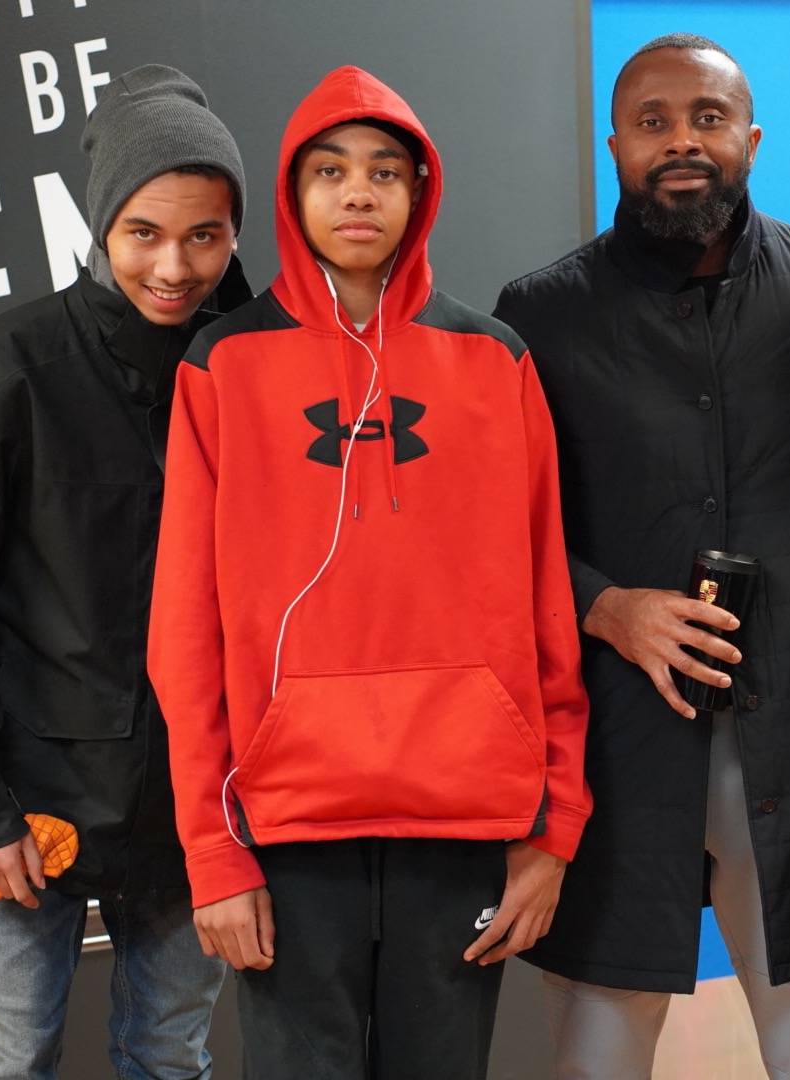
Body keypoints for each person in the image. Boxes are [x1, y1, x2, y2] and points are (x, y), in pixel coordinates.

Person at [146, 65, 590, 1079]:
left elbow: (545, 607)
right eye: (331, 171)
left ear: (418, 191)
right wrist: (212, 849)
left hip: (466, 817)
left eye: (385, 171)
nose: (359, 193)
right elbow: (184, 630)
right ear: (292, 193)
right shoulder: (223, 364)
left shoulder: (496, 360)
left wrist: (554, 823)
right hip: (288, 826)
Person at [493, 33, 790, 1080]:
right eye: (654, 122)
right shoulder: (537, 316)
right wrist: (604, 605)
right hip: (615, 759)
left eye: (707, 119)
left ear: (750, 139)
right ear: (614, 146)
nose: (682, 142)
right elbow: (493, 532)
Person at [0, 65, 250, 1079]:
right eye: (143, 232)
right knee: (9, 1065)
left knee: (170, 1061)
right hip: (24, 809)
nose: (173, 266)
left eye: (205, 235)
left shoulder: (254, 375)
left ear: (234, 234)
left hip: (194, 814)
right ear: (100, 224)